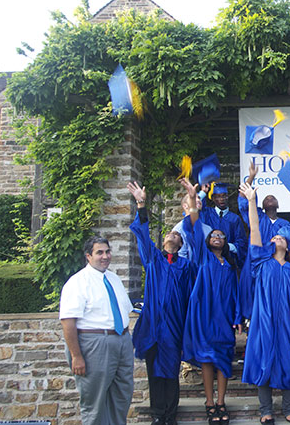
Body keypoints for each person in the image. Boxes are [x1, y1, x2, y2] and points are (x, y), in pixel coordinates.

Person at [239, 182, 290, 425]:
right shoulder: (260, 262)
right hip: (264, 322)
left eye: (281, 236)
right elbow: (255, 228)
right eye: (275, 236)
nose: (277, 237)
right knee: (263, 364)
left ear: (288, 245)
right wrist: (251, 201)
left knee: (288, 364)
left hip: (289, 324)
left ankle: (289, 409)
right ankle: (265, 411)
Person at [128, 182, 196, 425]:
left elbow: (190, 297)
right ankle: (158, 415)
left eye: (176, 235)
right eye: (169, 233)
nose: (172, 235)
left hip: (174, 326)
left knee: (171, 373)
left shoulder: (186, 266)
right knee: (154, 373)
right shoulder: (154, 260)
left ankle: (170, 414)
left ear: (181, 244)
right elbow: (142, 235)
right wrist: (141, 205)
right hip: (153, 325)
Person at [180, 178, 242, 425]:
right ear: (207, 241)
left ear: (225, 242)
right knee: (207, 359)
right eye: (213, 234)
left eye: (220, 235)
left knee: (224, 359)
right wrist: (194, 197)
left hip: (224, 319)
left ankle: (221, 401)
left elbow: (236, 295)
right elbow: (194, 226)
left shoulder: (229, 266)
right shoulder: (202, 260)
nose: (216, 236)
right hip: (205, 317)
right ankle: (209, 401)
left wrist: (237, 318)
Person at [59, 236, 134, 425]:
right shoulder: (77, 283)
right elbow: (68, 322)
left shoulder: (113, 278)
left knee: (121, 397)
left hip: (121, 341)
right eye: (99, 252)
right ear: (88, 256)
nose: (105, 256)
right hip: (94, 344)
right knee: (95, 402)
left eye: (107, 252)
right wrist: (76, 356)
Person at [238, 161, 289, 320]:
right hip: (257, 261)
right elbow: (244, 200)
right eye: (266, 198)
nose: (269, 199)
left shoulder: (285, 225)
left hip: (278, 264)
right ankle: (251, 324)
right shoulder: (258, 217)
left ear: (278, 205)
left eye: (272, 198)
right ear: (262, 205)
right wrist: (251, 177)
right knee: (253, 291)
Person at [198, 182, 248, 263]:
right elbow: (193, 207)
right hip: (208, 258)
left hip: (228, 259)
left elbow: (241, 241)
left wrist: (229, 246)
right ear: (213, 198)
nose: (222, 199)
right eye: (218, 196)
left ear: (228, 197)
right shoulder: (206, 213)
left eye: (224, 195)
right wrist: (203, 192)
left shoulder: (235, 219)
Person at [173, 193, 212, 260]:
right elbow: (180, 255)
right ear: (185, 206)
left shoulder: (208, 229)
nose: (198, 200)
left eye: (199, 198)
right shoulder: (179, 229)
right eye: (194, 198)